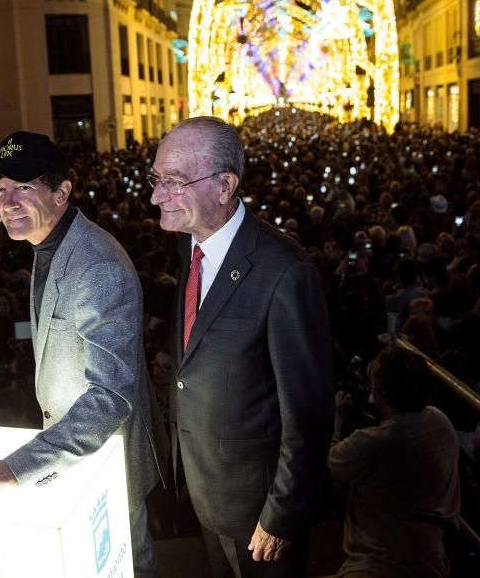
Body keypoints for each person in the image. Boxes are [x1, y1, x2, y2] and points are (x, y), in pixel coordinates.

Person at [0, 131, 162, 577]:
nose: (7, 202)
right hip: (76, 459)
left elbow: (111, 395)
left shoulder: (97, 265)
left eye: (23, 188)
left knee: (129, 562)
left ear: (62, 192)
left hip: (106, 460)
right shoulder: (50, 243)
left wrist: (21, 466)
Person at [149, 116, 334, 577]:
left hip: (259, 515)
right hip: (205, 489)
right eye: (155, 180)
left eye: (172, 182)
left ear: (225, 185)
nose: (155, 196)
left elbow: (308, 415)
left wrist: (281, 515)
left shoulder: (285, 271)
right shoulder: (189, 247)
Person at [328, 345, 461, 578]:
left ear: (379, 392)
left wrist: (335, 422)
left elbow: (332, 464)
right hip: (434, 560)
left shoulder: (373, 443)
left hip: (379, 567)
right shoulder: (440, 421)